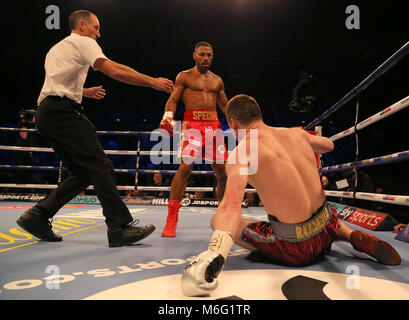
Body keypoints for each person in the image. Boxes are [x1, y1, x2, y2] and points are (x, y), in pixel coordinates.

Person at [181, 94, 401, 296]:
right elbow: (328, 145)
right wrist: (304, 139)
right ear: (259, 115)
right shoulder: (295, 133)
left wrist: (215, 253)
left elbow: (231, 205)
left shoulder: (243, 152)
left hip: (297, 247)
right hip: (328, 225)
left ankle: (216, 257)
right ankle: (351, 235)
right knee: (328, 212)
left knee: (218, 220)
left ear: (233, 123)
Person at [16, 10, 174, 247]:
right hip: (63, 112)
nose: (98, 34)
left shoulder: (56, 48)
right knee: (100, 165)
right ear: (82, 25)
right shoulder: (83, 42)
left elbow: (57, 85)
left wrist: (83, 92)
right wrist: (152, 81)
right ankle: (118, 227)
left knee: (83, 173)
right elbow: (114, 69)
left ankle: (37, 216)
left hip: (46, 113)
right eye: (96, 28)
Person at [159, 41, 229, 237]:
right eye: (202, 54)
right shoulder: (184, 76)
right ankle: (171, 218)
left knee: (223, 173)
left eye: (209, 55)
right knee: (185, 168)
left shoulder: (218, 81)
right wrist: (168, 118)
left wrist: (240, 121)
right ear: (195, 55)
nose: (206, 58)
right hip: (192, 126)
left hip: (214, 126)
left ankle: (223, 215)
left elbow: (225, 106)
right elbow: (173, 100)